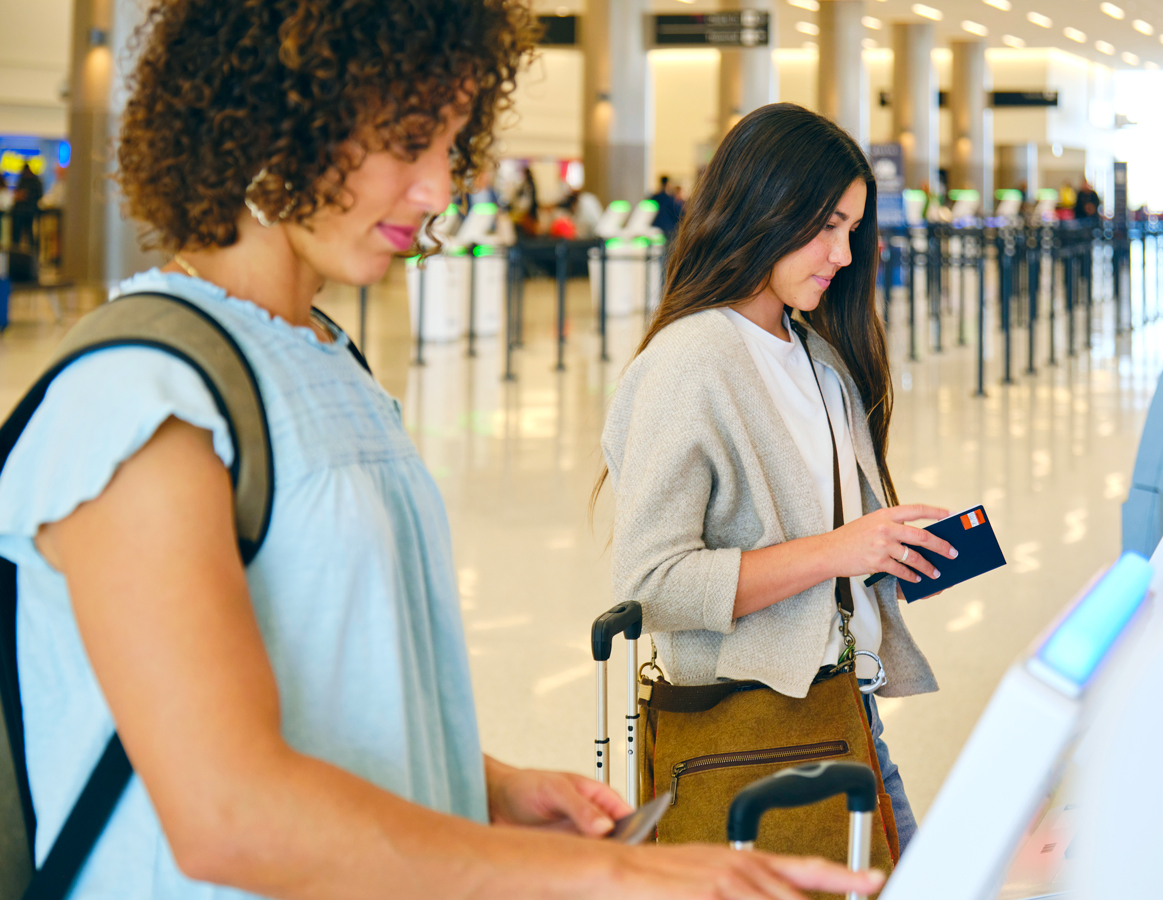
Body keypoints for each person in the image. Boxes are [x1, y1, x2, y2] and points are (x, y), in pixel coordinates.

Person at [0, 4, 883, 899]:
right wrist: (597, 873)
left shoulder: (325, 357)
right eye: (406, 144)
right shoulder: (141, 398)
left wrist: (486, 782)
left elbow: (340, 676)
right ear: (273, 121)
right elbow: (229, 814)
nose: (435, 190)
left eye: (449, 148)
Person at [600, 103, 958, 855]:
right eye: (826, 225)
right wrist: (839, 552)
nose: (844, 254)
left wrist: (884, 550)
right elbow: (652, 583)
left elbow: (826, 543)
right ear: (763, 207)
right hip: (753, 733)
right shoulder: (691, 361)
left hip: (845, 709)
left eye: (853, 230)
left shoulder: (818, 356)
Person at [11, 161, 43, 248]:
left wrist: (26, 195)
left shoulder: (35, 182)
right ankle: (15, 251)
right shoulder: (22, 180)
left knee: (30, 234)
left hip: (29, 212)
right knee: (16, 234)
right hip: (18, 212)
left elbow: (39, 196)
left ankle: (32, 251)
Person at [650, 174, 683, 239]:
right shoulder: (669, 199)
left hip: (656, 227)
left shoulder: (654, 198)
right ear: (668, 184)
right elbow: (677, 213)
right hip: (668, 228)